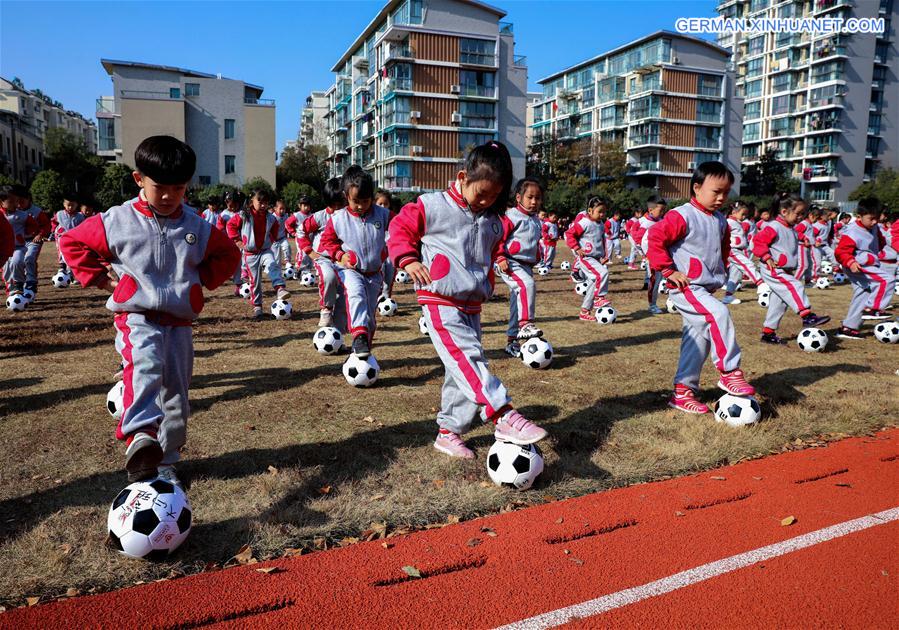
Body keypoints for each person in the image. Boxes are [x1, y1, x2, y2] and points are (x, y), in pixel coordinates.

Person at [58, 135, 240, 484]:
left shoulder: (197, 226)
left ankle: (166, 460)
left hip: (180, 323)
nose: (170, 196)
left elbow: (228, 255)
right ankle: (140, 436)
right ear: (139, 179)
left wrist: (197, 284)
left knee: (176, 391)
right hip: (136, 316)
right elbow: (71, 242)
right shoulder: (117, 220)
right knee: (143, 366)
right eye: (161, 188)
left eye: (180, 188)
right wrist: (103, 280)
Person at [388, 141, 548, 459]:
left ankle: (449, 432)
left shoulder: (491, 219)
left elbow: (492, 249)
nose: (486, 201)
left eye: (494, 196)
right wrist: (408, 259)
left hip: (471, 305)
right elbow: (399, 228)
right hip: (438, 298)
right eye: (481, 193)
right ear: (463, 177)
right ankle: (503, 414)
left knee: (460, 368)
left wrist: (489, 276)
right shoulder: (432, 205)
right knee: (468, 360)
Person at [646, 161, 756, 415]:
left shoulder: (720, 221)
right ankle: (730, 372)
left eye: (726, 192)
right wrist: (669, 270)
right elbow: (655, 238)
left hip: (703, 288)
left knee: (698, 339)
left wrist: (721, 274)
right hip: (685, 286)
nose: (721, 198)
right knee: (719, 314)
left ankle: (683, 391)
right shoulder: (681, 215)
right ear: (696, 188)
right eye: (715, 191)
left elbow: (723, 249)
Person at [320, 166, 389, 358]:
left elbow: (399, 229)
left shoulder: (382, 215)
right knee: (356, 295)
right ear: (346, 196)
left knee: (371, 319)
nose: (360, 206)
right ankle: (358, 337)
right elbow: (327, 241)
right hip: (350, 270)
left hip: (374, 273)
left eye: (365, 201)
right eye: (355, 201)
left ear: (372, 197)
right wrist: (340, 255)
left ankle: (363, 347)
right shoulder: (338, 219)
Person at [752, 194, 830, 345]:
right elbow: (758, 241)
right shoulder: (774, 227)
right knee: (795, 285)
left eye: (803, 214)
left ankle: (768, 333)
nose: (801, 217)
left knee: (779, 303)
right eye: (798, 213)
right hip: (773, 268)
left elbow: (794, 234)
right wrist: (767, 256)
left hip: (785, 269)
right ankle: (807, 315)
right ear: (784, 212)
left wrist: (804, 238)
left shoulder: (791, 228)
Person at [226, 187, 290, 320]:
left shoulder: (270, 218)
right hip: (250, 254)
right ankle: (257, 307)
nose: (263, 205)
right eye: (260, 202)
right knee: (255, 281)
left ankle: (279, 288)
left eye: (266, 202)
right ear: (251, 202)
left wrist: (271, 240)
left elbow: (275, 229)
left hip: (265, 250)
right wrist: (237, 241)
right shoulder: (244, 215)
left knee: (272, 264)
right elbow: (230, 226)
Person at [835, 198, 894, 339]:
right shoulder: (852, 232)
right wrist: (850, 262)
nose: (874, 222)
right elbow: (840, 251)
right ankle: (873, 308)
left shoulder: (874, 227)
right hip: (858, 265)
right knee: (887, 280)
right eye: (871, 219)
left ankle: (849, 327)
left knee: (864, 293)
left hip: (866, 264)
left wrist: (879, 247)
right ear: (859, 216)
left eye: (876, 218)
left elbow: (879, 240)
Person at [500, 178, 545, 357]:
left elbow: (533, 241)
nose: (534, 202)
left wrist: (537, 256)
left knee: (516, 304)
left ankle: (512, 341)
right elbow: (498, 238)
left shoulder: (535, 220)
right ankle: (525, 323)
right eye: (530, 197)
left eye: (538, 198)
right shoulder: (510, 216)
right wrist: (499, 257)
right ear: (518, 197)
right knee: (527, 286)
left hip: (525, 265)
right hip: (509, 262)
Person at [299, 179, 346, 328]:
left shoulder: (349, 216)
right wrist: (309, 251)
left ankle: (341, 321)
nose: (337, 209)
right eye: (334, 206)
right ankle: (326, 311)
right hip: (323, 258)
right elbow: (301, 230)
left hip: (344, 258)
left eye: (341, 205)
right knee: (329, 277)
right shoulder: (320, 217)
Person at [565, 196, 612, 321]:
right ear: (590, 211)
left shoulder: (601, 224)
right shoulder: (584, 223)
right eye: (599, 211)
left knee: (592, 285)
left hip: (596, 258)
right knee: (602, 274)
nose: (602, 214)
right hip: (586, 257)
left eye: (604, 211)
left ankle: (584, 312)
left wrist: (603, 255)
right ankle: (599, 298)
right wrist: (576, 248)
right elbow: (569, 234)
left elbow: (602, 240)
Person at [723, 201, 763, 305]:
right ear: (734, 212)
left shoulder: (737, 223)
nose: (744, 216)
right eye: (743, 214)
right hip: (732, 250)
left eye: (746, 214)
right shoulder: (729, 222)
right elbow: (720, 234)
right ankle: (762, 285)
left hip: (739, 251)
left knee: (735, 277)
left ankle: (728, 296)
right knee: (748, 265)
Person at [13, 185, 51, 296]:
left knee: (29, 259)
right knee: (17, 262)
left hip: (33, 241)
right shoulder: (14, 211)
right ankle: (18, 283)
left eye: (22, 201)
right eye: (17, 202)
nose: (19, 204)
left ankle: (31, 282)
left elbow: (46, 225)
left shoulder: (37, 211)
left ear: (29, 199)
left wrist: (40, 234)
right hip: (18, 242)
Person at [1, 185, 37, 297]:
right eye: (11, 202)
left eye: (17, 201)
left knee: (17, 262)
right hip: (3, 249)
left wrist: (29, 232)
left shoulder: (22, 215)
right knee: (6, 268)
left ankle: (18, 284)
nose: (16, 204)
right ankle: (10, 286)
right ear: (1, 202)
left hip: (18, 247)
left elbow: (34, 226)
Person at [636, 196, 667, 312]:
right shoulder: (645, 223)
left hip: (663, 255)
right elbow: (638, 239)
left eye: (664, 210)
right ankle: (652, 305)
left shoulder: (661, 221)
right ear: (650, 210)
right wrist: (645, 254)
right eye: (661, 210)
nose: (663, 213)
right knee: (654, 281)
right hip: (652, 258)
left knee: (663, 279)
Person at [51, 195, 85, 272]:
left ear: (76, 205)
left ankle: (71, 270)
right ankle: (62, 266)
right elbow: (53, 221)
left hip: (74, 238)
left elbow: (83, 226)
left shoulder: (80, 216)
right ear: (64, 204)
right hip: (61, 237)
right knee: (62, 251)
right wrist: (53, 230)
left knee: (73, 253)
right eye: (68, 205)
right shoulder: (59, 214)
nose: (70, 207)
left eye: (72, 205)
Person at [285, 195, 315, 275]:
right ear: (299, 206)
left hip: (310, 239)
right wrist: (293, 233)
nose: (306, 208)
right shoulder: (296, 215)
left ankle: (306, 270)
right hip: (300, 239)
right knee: (302, 253)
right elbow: (287, 223)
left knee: (309, 255)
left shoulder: (312, 215)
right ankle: (298, 270)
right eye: (304, 205)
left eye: (308, 206)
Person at [375, 190, 396, 299]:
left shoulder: (392, 218)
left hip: (390, 253)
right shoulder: (373, 218)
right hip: (378, 253)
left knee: (390, 274)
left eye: (386, 204)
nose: (383, 206)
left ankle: (386, 297)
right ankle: (377, 296)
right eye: (380, 203)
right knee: (380, 273)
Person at [271, 198, 293, 270]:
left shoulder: (286, 216)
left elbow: (289, 223)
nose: (282, 210)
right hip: (274, 240)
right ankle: (277, 269)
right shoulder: (272, 217)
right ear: (275, 208)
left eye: (283, 209)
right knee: (277, 258)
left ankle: (288, 262)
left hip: (282, 238)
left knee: (287, 247)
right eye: (280, 209)